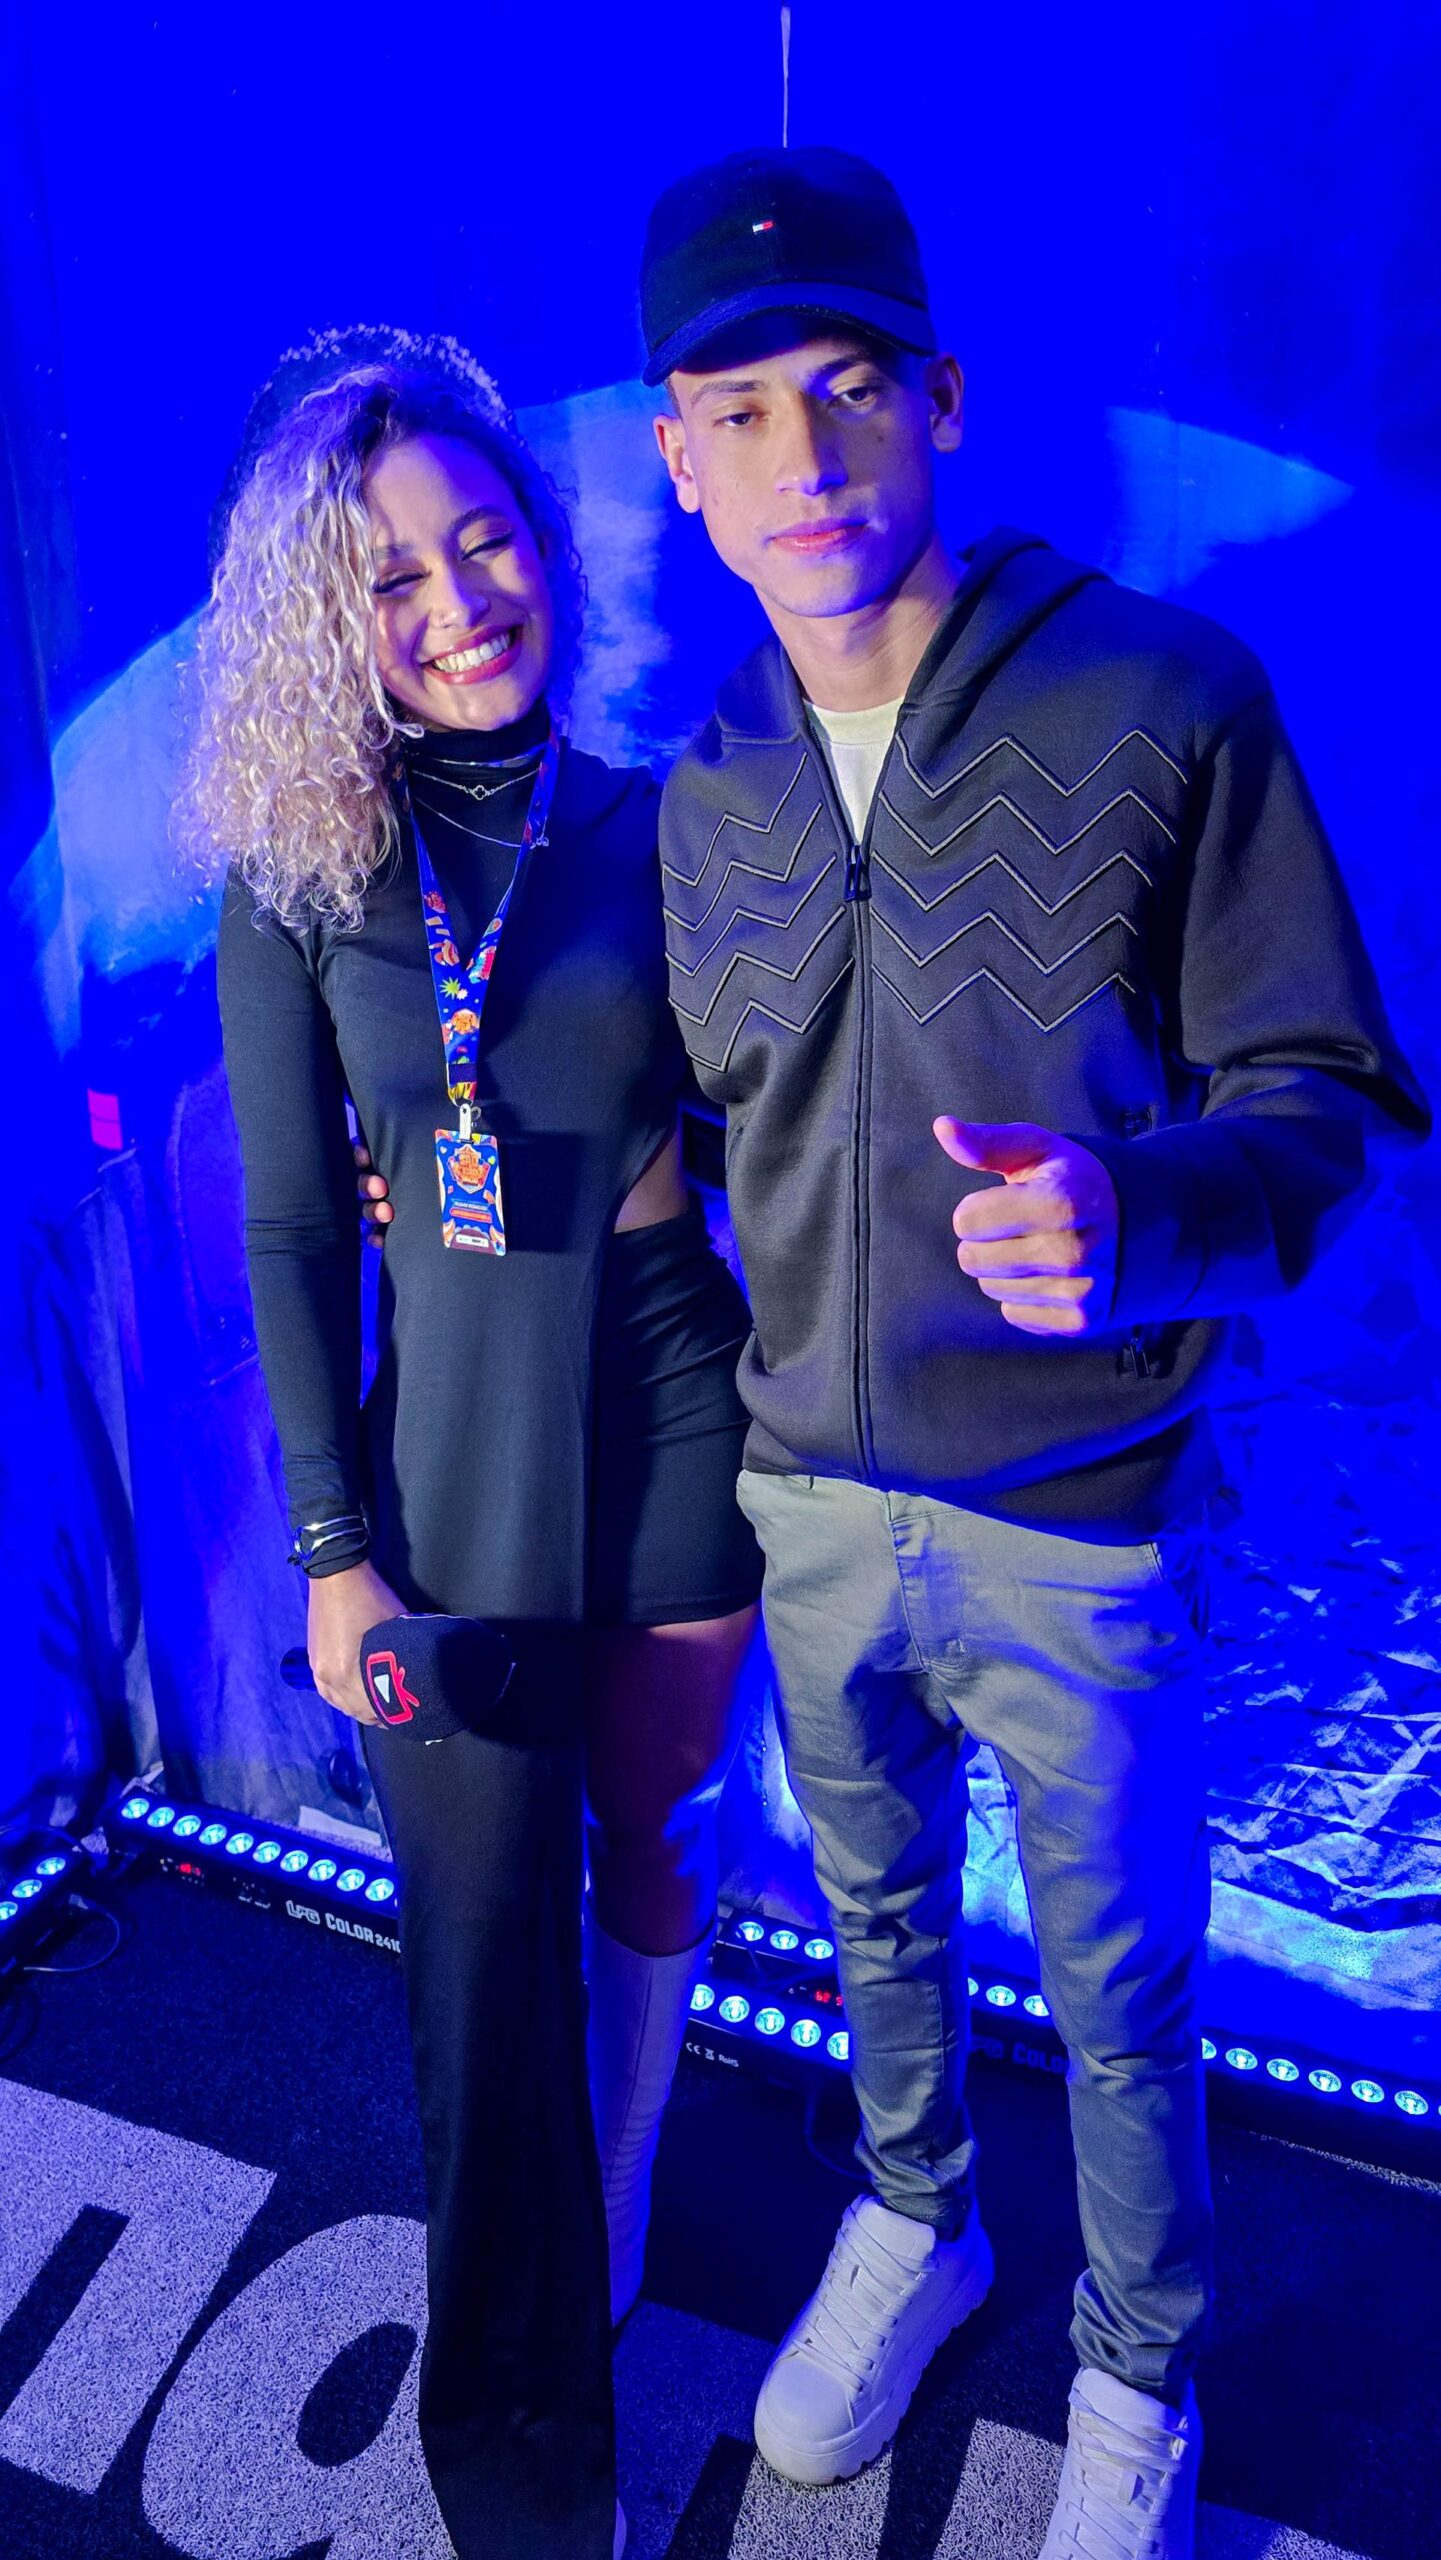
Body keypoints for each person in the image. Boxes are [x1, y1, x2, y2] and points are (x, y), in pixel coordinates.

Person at [637, 147, 1429, 2558]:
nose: (803, 456)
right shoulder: (705, 786)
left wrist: (1138, 1215)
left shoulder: (1164, 696)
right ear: (677, 461)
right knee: (871, 1921)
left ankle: (1136, 2363)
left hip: (1077, 1515)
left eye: (849, 389)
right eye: (740, 412)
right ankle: (915, 2212)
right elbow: (731, 1116)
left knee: (1118, 1984)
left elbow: (1327, 1100)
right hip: (806, 1492)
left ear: (944, 401)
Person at [181, 326, 762, 2560]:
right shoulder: (300, 876)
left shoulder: (659, 819)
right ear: (327, 626)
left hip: (675, 1383)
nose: (459, 603)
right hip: (455, 1435)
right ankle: (521, 2463)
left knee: (651, 1830)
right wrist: (336, 1545)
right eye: (395, 581)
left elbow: (762, 1117)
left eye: (487, 543)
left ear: (548, 545)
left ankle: (616, 2177)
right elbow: (284, 1221)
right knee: (476, 1929)